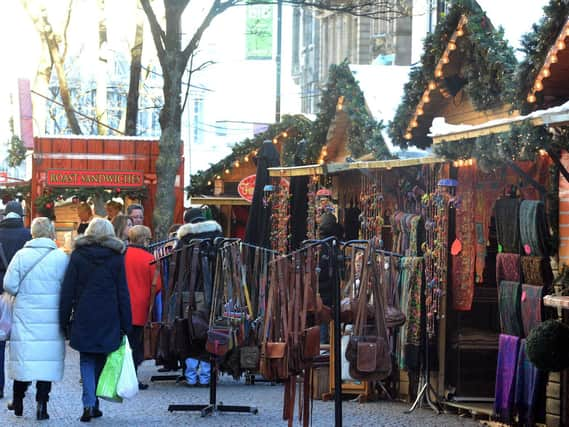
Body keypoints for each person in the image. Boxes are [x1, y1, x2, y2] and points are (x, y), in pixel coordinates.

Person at [59, 218, 131, 422]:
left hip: (84, 313)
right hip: (109, 315)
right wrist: (127, 321)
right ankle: (94, 403)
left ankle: (89, 403)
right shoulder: (116, 257)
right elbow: (122, 292)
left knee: (87, 359)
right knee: (101, 357)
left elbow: (68, 289)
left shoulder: (78, 255)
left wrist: (63, 319)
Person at [4, 217, 69, 420]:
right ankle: (42, 405)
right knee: (45, 361)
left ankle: (18, 401)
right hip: (51, 316)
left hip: (26, 316)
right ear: (51, 233)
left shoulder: (21, 255)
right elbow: (67, 288)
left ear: (32, 233)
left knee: (25, 359)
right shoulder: (60, 257)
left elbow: (9, 285)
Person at [177, 207, 222, 387]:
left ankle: (190, 374)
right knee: (208, 329)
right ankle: (205, 373)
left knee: (190, 329)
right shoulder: (216, 235)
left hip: (190, 290)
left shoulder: (184, 238)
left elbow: (179, 264)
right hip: (213, 290)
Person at [0, 200, 31, 400]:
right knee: (23, 339)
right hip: (22, 293)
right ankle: (22, 382)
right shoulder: (28, 235)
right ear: (20, 215)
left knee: (0, 341)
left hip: (0, 292)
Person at [124, 225, 161, 390]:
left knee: (120, 344)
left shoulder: (121, 255)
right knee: (135, 345)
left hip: (121, 306)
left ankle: (117, 375)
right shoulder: (149, 258)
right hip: (140, 308)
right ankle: (132, 377)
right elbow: (158, 285)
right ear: (145, 239)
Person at [317, 213, 342, 344]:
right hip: (330, 290)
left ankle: (323, 350)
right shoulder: (334, 244)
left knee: (321, 320)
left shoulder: (318, 245)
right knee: (330, 319)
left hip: (320, 291)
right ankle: (328, 348)